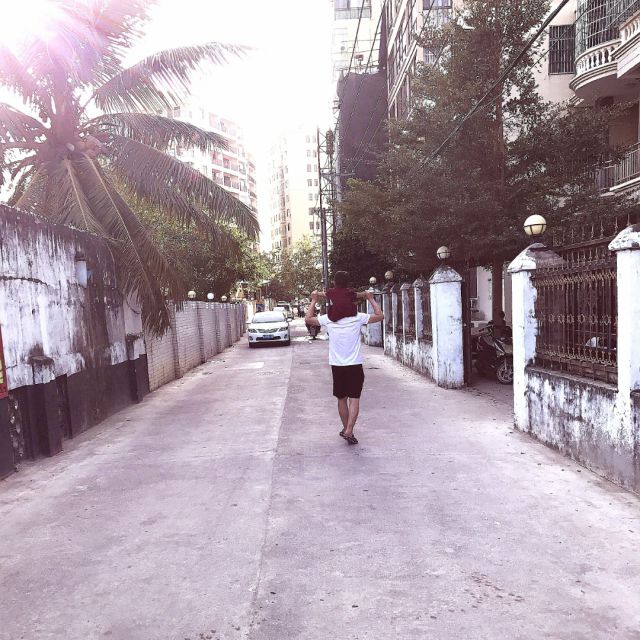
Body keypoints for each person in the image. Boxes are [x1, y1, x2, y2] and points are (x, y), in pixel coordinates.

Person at [305, 287, 384, 445]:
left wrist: (314, 299)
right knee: (354, 398)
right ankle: (349, 430)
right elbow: (380, 316)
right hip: (354, 365)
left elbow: (308, 319)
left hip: (337, 365)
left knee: (342, 399)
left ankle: (347, 430)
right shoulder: (358, 317)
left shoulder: (328, 319)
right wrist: (370, 298)